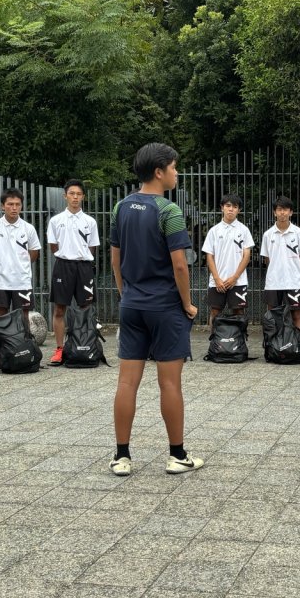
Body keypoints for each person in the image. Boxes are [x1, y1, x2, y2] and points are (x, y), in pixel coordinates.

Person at [109, 142, 202, 477]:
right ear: (160, 172)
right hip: (164, 307)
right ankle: (177, 455)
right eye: (174, 167)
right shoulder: (169, 211)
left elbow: (115, 258)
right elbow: (180, 265)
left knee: (126, 383)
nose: (177, 173)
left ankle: (121, 457)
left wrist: (126, 294)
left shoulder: (120, 207)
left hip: (132, 305)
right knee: (170, 384)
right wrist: (187, 304)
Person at [47, 179, 99, 365]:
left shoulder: (90, 222)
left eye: (78, 194)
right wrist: (67, 256)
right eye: (72, 194)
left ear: (83, 196)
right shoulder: (56, 220)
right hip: (63, 266)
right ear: (65, 196)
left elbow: (92, 247)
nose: (75, 197)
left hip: (84, 267)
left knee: (86, 308)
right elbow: (53, 246)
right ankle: (60, 349)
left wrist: (81, 258)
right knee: (59, 308)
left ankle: (86, 345)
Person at [0, 189, 40, 332]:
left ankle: (24, 344)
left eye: (17, 204)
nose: (14, 208)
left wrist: (21, 266)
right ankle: (0, 346)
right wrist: (1, 266)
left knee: (24, 316)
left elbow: (34, 253)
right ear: (2, 206)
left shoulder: (29, 228)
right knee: (0, 317)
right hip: (0, 281)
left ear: (21, 206)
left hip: (22, 281)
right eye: (10, 204)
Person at [202, 194, 254, 327]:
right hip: (217, 282)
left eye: (235, 207)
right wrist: (217, 279)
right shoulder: (214, 231)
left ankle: (239, 340)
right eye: (228, 206)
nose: (231, 209)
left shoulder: (244, 230)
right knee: (215, 313)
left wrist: (235, 278)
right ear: (222, 208)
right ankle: (214, 340)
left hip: (238, 281)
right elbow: (209, 256)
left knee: (239, 313)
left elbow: (246, 256)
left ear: (239, 210)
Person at [260, 197, 300, 330]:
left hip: (293, 281)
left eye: (285, 209)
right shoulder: (268, 234)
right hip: (273, 282)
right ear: (274, 212)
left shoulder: (299, 233)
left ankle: (297, 342)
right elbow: (267, 259)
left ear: (291, 212)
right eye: (279, 209)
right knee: (272, 315)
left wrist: (296, 273)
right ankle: (272, 342)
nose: (282, 212)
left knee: (296, 315)